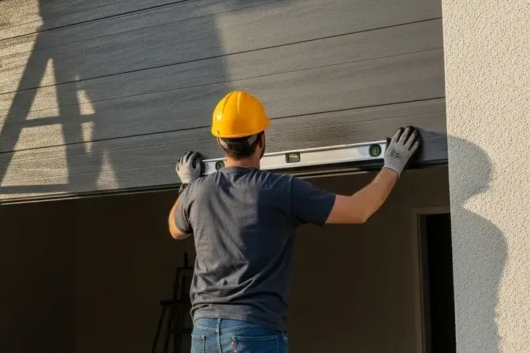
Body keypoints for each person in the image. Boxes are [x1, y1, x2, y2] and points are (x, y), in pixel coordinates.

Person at [167, 90, 421, 352]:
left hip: (203, 332)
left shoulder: (198, 191)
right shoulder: (281, 191)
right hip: (252, 331)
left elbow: (176, 230)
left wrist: (186, 185)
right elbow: (359, 210)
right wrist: (393, 165)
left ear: (220, 141)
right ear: (261, 140)